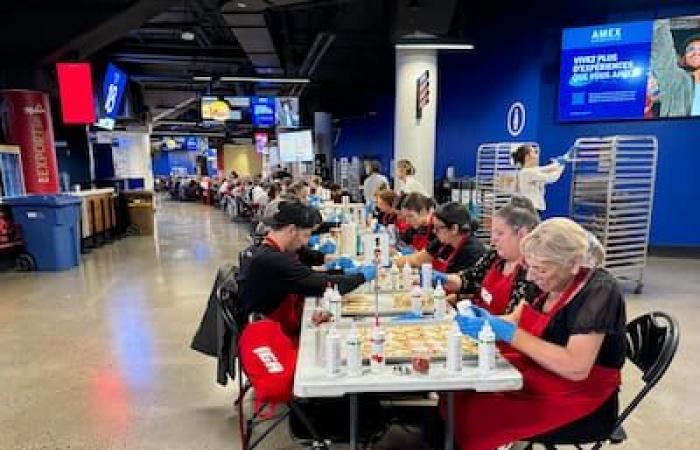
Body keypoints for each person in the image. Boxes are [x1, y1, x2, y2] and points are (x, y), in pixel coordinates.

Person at [450, 218, 626, 450]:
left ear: (573, 264)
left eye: (540, 269)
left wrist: (508, 333)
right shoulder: (542, 281)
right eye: (528, 267)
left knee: (475, 412)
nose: (531, 277)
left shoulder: (600, 291)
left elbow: (576, 367)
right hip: (541, 372)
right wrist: (483, 321)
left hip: (581, 397)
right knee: (459, 392)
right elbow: (515, 320)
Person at [237, 200, 376, 338]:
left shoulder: (269, 251)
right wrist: (361, 277)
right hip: (268, 338)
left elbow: (307, 277)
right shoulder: (274, 260)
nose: (305, 242)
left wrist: (342, 272)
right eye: (306, 235)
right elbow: (322, 285)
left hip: (276, 326)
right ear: (291, 230)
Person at [440, 196, 541, 314]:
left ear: (521, 234)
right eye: (493, 233)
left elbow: (514, 318)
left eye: (500, 233)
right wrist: (443, 279)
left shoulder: (530, 272)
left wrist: (487, 321)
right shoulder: (494, 256)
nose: (493, 241)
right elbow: (469, 279)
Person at [394, 202, 484, 274]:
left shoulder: (472, 252)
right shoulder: (443, 241)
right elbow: (418, 259)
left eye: (438, 228)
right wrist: (394, 263)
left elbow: (461, 288)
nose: (434, 231)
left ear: (454, 228)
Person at [651, 18, 700, 117]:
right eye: (690, 49)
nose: (696, 52)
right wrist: (661, 16)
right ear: (683, 58)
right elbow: (663, 52)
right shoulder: (676, 80)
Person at [511, 144, 567, 212]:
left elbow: (549, 168)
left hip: (533, 208)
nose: (537, 155)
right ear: (527, 157)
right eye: (534, 152)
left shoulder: (532, 170)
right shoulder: (527, 172)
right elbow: (552, 178)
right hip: (531, 209)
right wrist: (562, 165)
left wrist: (558, 163)